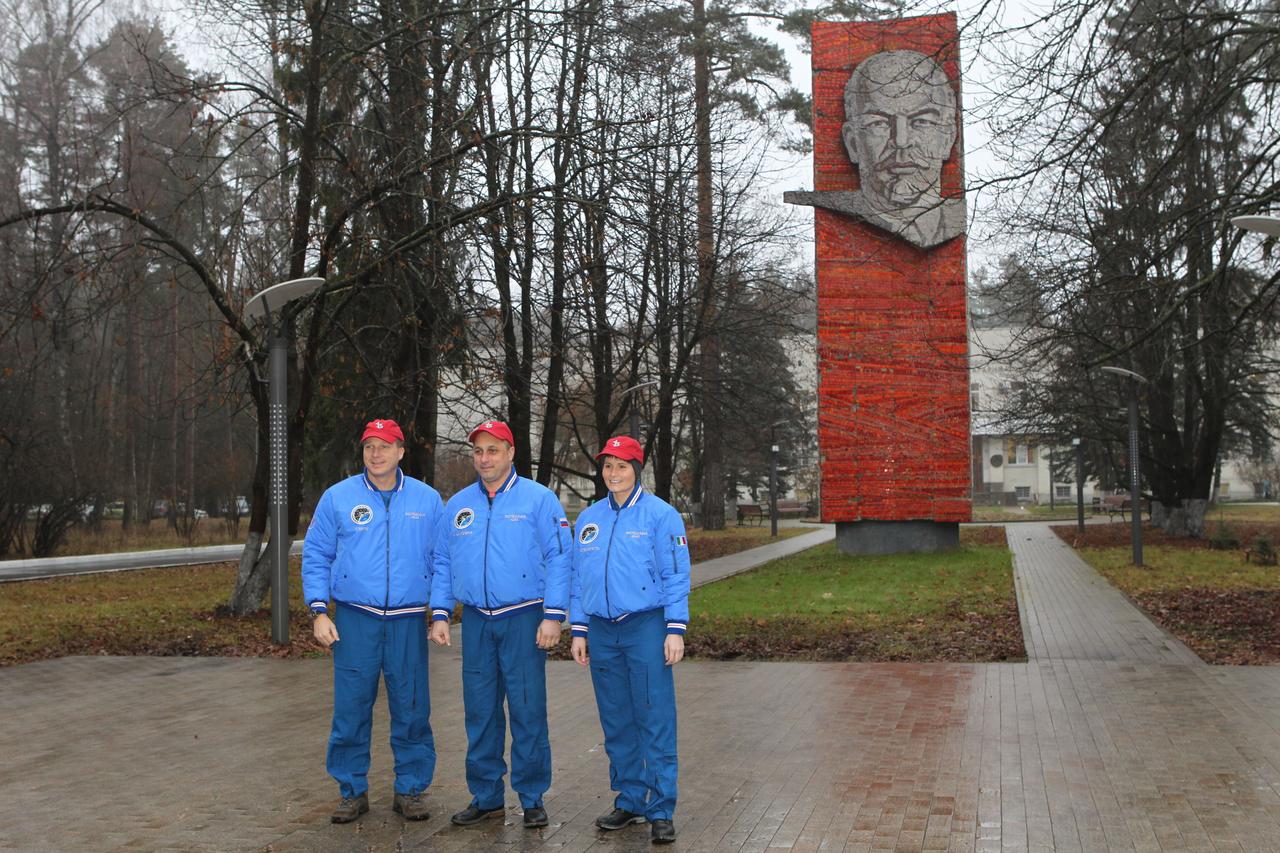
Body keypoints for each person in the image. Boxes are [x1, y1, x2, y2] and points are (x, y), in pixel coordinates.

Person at [301, 418, 445, 824]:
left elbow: (442, 561)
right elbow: (316, 556)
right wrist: (318, 611)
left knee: (412, 708)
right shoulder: (337, 498)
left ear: (401, 451)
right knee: (350, 710)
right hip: (354, 620)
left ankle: (411, 789)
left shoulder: (427, 500)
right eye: (369, 447)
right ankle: (351, 790)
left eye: (384, 446)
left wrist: (439, 612)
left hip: (406, 622)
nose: (375, 454)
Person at [429, 419, 571, 829]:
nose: (484, 458)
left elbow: (561, 559)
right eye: (478, 451)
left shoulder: (538, 501)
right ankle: (487, 796)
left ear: (510, 453)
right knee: (480, 711)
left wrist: (554, 616)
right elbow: (442, 561)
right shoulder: (458, 506)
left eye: (493, 450)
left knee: (527, 709)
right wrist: (440, 613)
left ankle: (531, 797)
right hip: (475, 620)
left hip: (523, 618)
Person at [569, 435, 690, 845]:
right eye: (608, 466)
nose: (613, 473)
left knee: (653, 716)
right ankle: (631, 798)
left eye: (622, 466)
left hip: (645, 626)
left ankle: (661, 807)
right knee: (616, 718)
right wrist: (579, 628)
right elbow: (576, 579)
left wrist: (675, 628)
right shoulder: (589, 519)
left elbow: (676, 575)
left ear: (637, 469)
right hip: (602, 630)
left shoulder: (661, 516)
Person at [784, 49, 965, 250]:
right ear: (853, 143)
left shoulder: (958, 219)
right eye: (878, 123)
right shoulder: (841, 212)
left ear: (948, 138)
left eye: (921, 121)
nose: (901, 141)